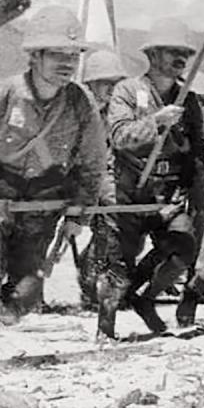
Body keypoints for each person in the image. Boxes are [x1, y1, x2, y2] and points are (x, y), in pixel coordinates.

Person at [0, 5, 108, 371]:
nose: (67, 63)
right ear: (34, 56)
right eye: (57, 54)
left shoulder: (80, 103)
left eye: (73, 55)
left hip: (41, 210)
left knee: (25, 297)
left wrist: (80, 211)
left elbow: (93, 162)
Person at [95, 18, 204, 338]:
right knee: (118, 264)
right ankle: (105, 329)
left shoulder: (188, 99)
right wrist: (156, 121)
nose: (181, 59)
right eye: (172, 52)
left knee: (183, 249)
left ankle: (145, 299)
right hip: (128, 191)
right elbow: (119, 136)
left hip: (168, 194)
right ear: (152, 55)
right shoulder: (127, 90)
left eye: (185, 54)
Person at [74, 49, 128, 308]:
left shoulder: (115, 113)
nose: (112, 88)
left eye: (116, 83)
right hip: (75, 179)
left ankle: (92, 284)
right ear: (91, 83)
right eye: (106, 82)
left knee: (108, 233)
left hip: (104, 179)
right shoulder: (77, 111)